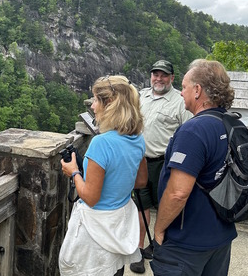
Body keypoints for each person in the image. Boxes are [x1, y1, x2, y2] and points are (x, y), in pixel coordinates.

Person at [150, 59, 237, 275]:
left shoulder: (193, 131)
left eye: (185, 86)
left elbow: (178, 193)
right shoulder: (232, 123)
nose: (181, 93)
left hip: (187, 242)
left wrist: (159, 229)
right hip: (221, 235)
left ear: (197, 90)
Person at [59, 75, 148, 276]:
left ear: (110, 105)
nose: (93, 106)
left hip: (96, 229)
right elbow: (141, 181)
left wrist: (73, 172)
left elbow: (90, 197)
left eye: (97, 100)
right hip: (120, 223)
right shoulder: (138, 139)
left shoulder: (101, 144)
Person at [131, 59, 193, 274]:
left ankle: (161, 249)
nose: (159, 78)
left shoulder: (179, 101)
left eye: (164, 75)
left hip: (165, 164)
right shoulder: (140, 96)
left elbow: (190, 132)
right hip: (140, 162)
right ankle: (139, 250)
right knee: (141, 206)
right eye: (155, 74)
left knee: (167, 207)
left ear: (172, 78)